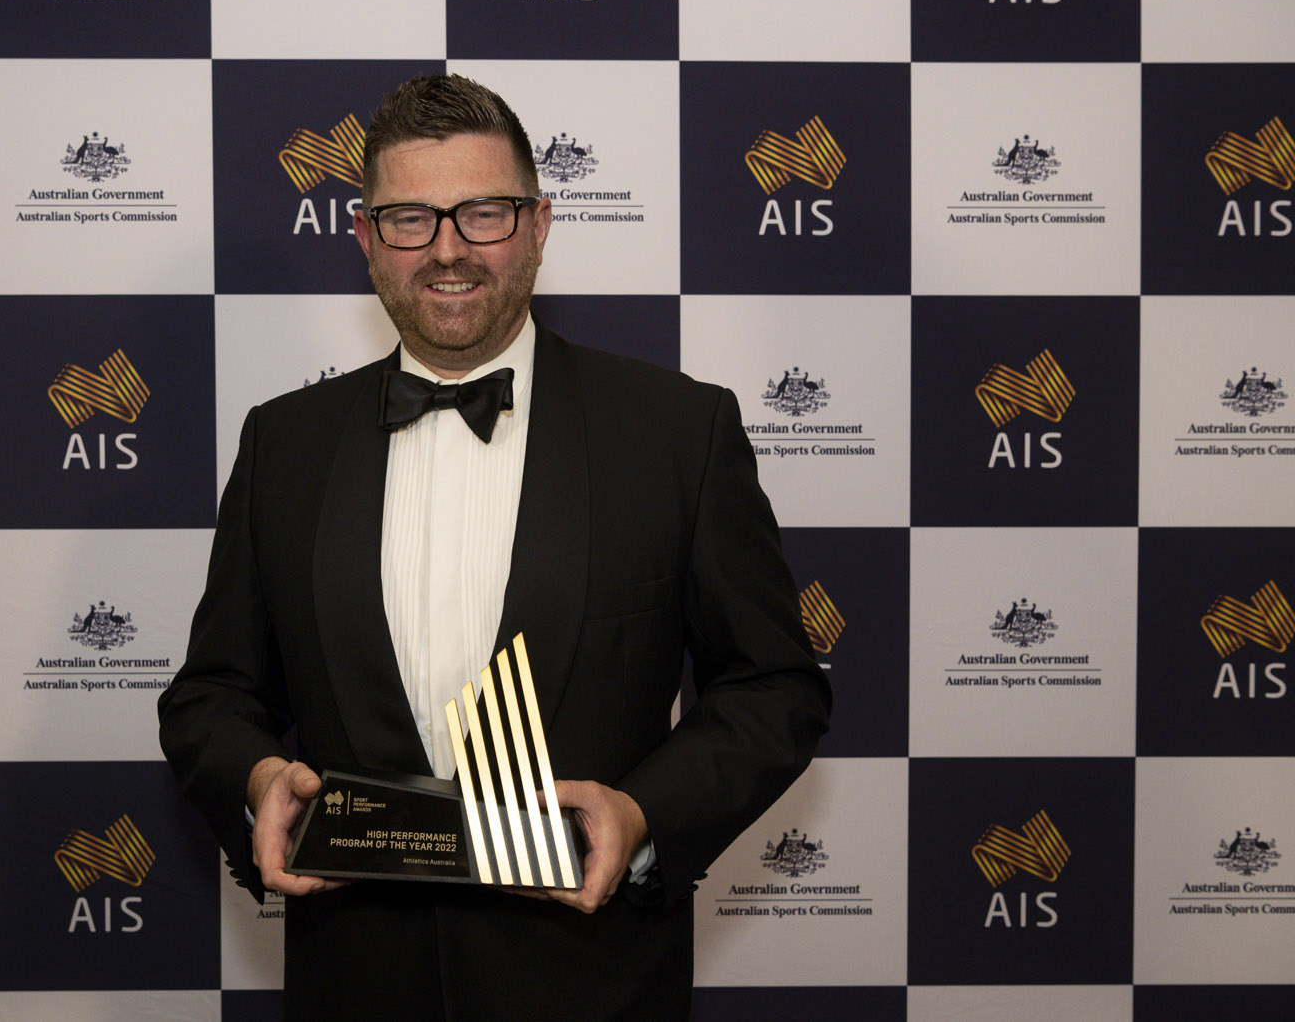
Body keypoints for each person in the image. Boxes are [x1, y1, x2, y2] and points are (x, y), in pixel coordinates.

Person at [159, 73, 830, 1020]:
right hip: (355, 983)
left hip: (594, 986)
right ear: (364, 238)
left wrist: (641, 815)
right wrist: (260, 778)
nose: (447, 251)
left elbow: (774, 689)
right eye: (409, 219)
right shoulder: (285, 444)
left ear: (540, 223)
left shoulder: (679, 433)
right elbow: (212, 696)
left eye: (483, 213)